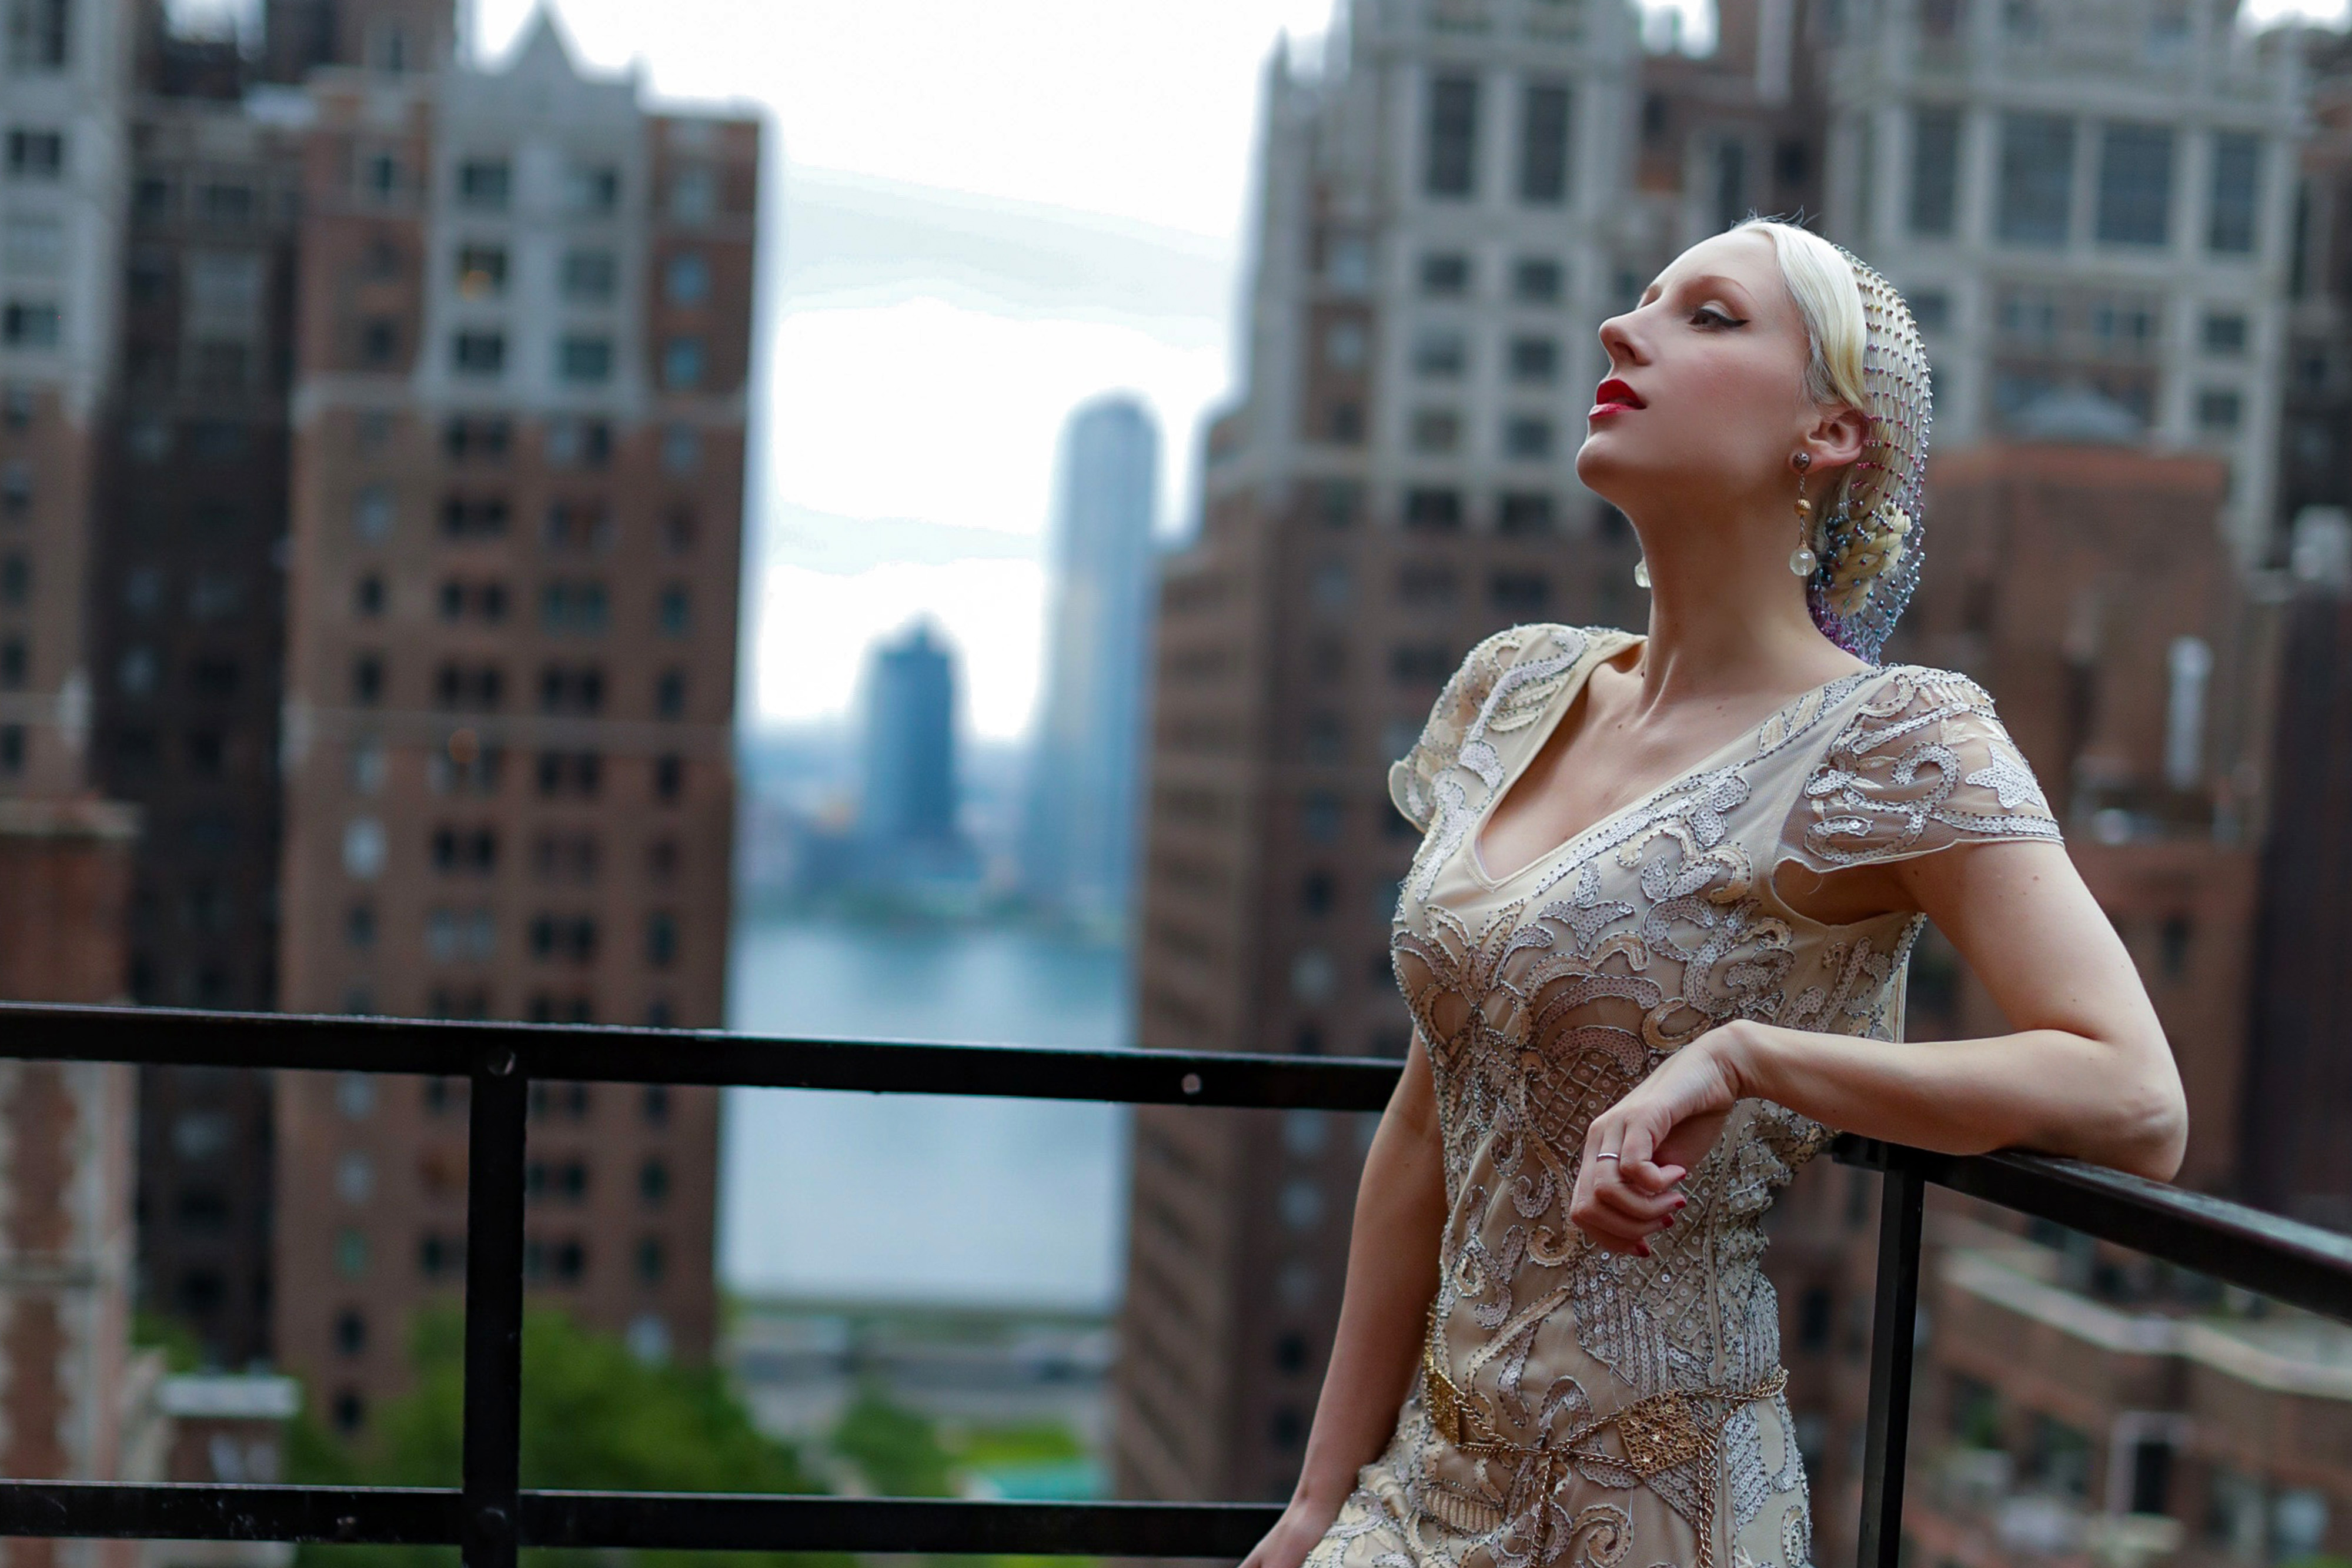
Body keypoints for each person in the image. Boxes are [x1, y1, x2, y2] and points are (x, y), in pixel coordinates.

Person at [1241, 219, 2188, 1568]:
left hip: (1662, 1514)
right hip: (1416, 1496)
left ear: (1830, 435)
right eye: (1637, 303)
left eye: (1708, 316)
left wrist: (1744, 1058)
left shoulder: (1896, 736)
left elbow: (2134, 1097)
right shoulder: (1512, 687)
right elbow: (1422, 1123)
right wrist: (1317, 1500)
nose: (1623, 332)